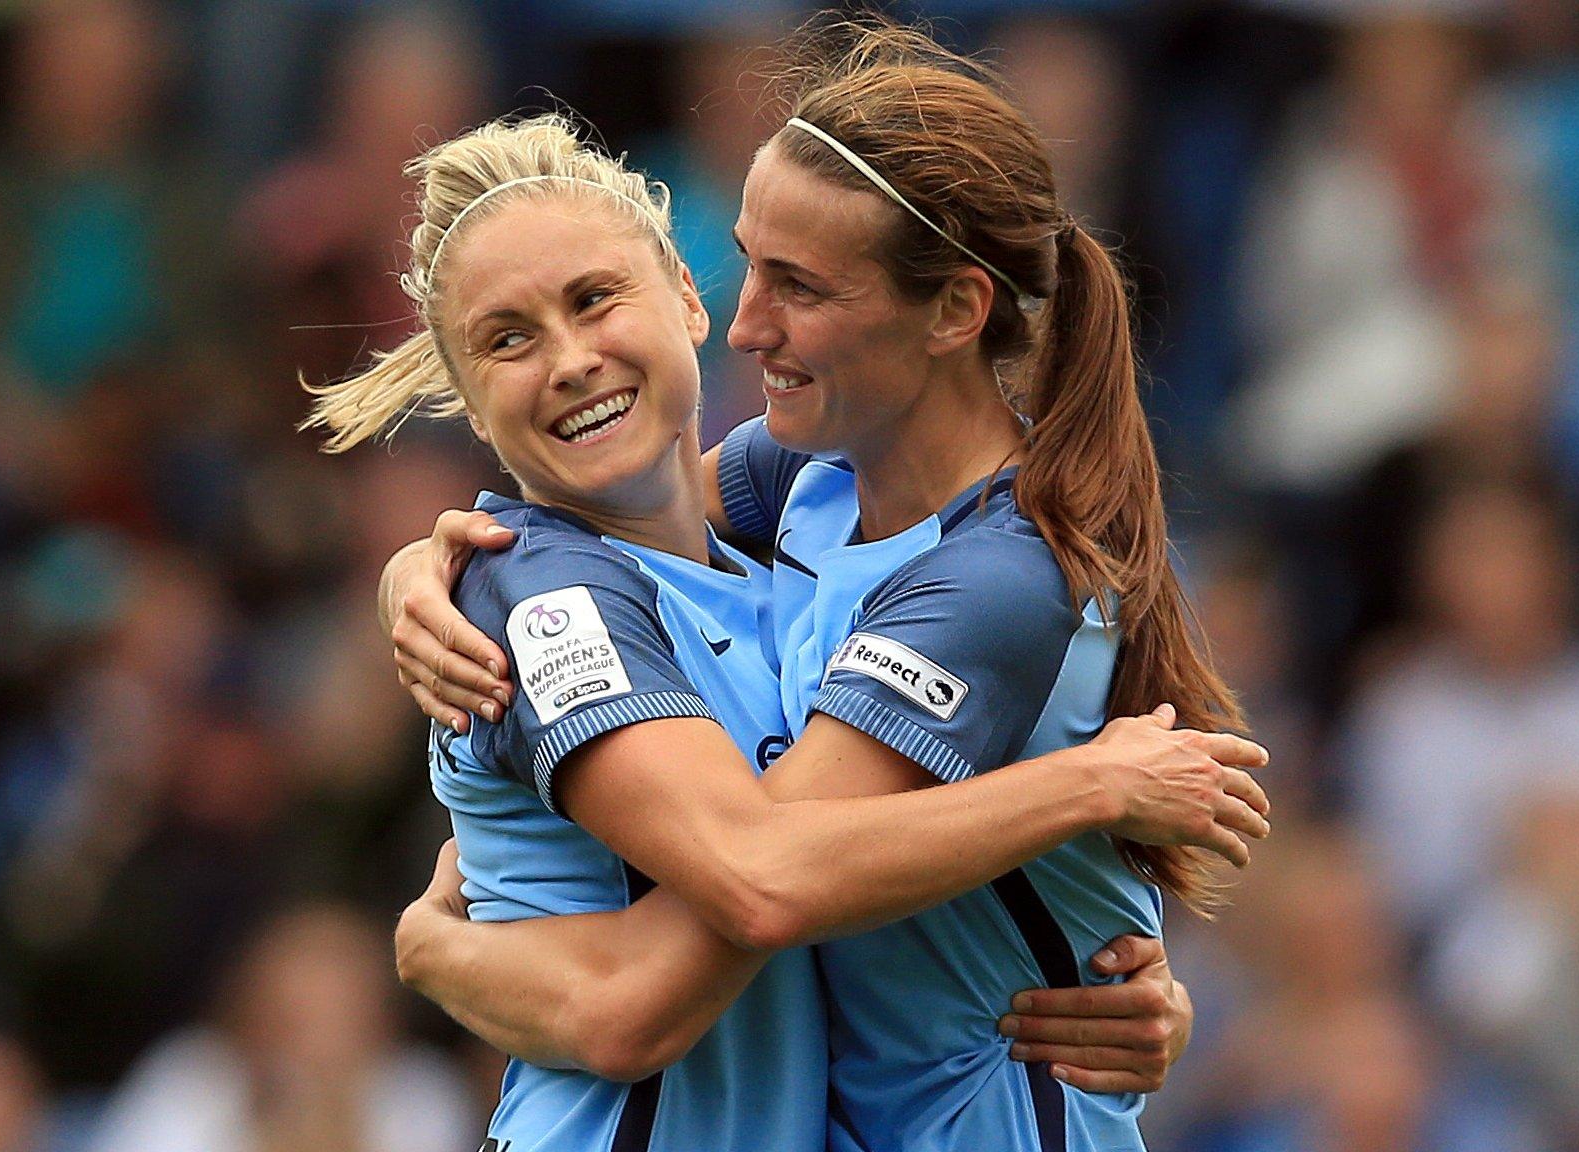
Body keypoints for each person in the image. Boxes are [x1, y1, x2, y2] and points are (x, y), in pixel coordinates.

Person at [378, 17, 1267, 1150]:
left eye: (798, 284)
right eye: (747, 263)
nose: (749, 327)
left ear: (954, 309)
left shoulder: (986, 574)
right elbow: (588, 545)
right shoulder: (793, 477)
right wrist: (421, 575)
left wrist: (440, 948)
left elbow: (757, 885)